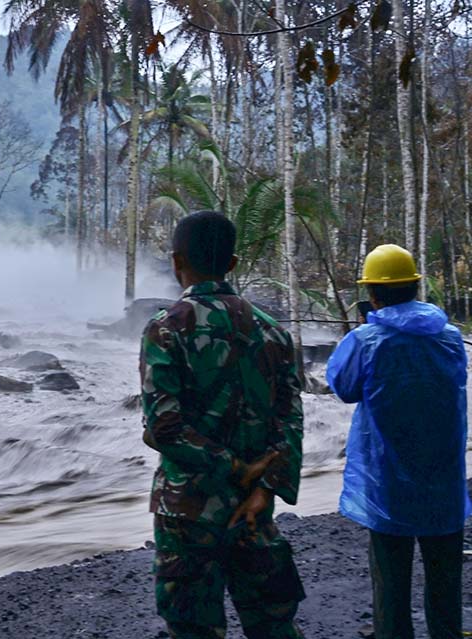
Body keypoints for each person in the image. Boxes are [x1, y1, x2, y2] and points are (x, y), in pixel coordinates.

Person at [141, 210, 305, 639]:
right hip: (253, 511)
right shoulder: (273, 332)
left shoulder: (166, 329)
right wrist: (264, 486)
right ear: (232, 264)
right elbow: (290, 418)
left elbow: (164, 427)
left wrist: (232, 467)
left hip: (187, 511)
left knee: (194, 629)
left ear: (177, 262)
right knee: (273, 626)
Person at [327, 243, 471, 639]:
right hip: (443, 479)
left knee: (391, 586)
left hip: (387, 483)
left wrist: (363, 328)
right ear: (414, 287)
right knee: (445, 583)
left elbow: (343, 386)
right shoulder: (451, 337)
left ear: (372, 293)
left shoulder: (367, 340)